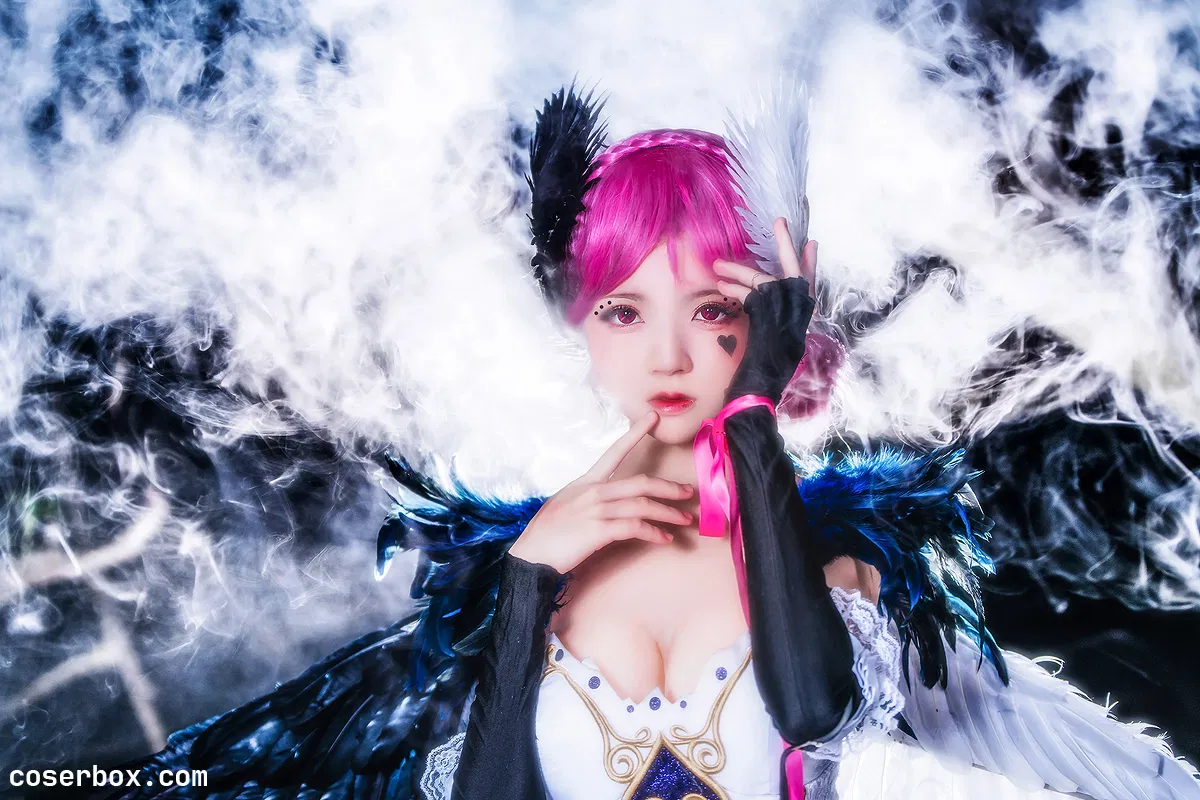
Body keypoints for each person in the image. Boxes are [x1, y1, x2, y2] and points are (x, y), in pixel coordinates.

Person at [90, 85, 1199, 800]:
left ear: (773, 317)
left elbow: (814, 709)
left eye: (714, 309)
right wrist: (524, 582)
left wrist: (754, 412)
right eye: (623, 310)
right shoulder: (525, 560)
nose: (667, 352)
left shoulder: (845, 557)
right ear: (580, 324)